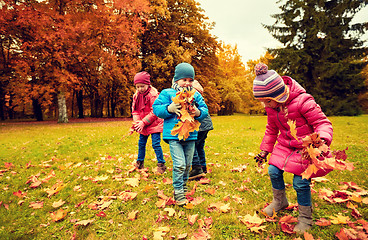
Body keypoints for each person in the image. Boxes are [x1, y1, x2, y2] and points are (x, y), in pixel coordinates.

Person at [252, 63, 333, 233]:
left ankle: (305, 217)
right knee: (273, 170)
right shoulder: (272, 108)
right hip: (285, 145)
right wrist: (265, 150)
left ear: (278, 95)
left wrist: (322, 139)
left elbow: (322, 123)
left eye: (267, 101)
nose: (265, 106)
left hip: (305, 147)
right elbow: (271, 129)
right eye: (262, 102)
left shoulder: (303, 101)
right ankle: (280, 201)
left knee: (300, 182)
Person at [153, 63, 209, 206]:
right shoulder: (167, 93)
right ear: (176, 79)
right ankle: (178, 192)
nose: (187, 83)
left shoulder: (195, 95)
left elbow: (204, 110)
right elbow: (156, 108)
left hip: (190, 135)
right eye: (184, 79)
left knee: (188, 164)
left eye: (190, 80)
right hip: (173, 136)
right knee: (179, 164)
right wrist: (169, 108)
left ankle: (183, 186)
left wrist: (198, 112)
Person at [131, 71, 166, 174]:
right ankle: (140, 162)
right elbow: (135, 110)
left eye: (142, 86)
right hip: (143, 124)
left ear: (148, 84)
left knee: (155, 144)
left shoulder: (153, 95)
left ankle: (161, 164)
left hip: (154, 123)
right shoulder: (136, 96)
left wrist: (143, 122)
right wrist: (137, 122)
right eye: (137, 87)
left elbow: (155, 112)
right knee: (141, 143)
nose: (140, 89)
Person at [188, 80, 214, 180]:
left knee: (193, 145)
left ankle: (196, 167)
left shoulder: (192, 95)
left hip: (199, 126)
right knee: (200, 146)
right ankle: (203, 166)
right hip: (206, 126)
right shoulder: (200, 97)